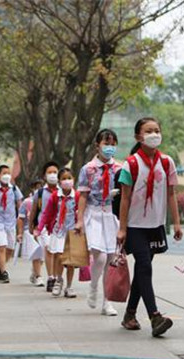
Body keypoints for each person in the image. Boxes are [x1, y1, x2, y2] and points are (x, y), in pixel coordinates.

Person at [116, 117, 183, 337]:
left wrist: (176, 223)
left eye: (156, 130)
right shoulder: (131, 164)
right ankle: (155, 316)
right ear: (139, 137)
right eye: (148, 131)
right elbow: (124, 199)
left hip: (156, 225)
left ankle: (130, 314)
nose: (154, 134)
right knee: (144, 266)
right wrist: (122, 228)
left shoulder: (167, 162)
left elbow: (171, 193)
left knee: (142, 270)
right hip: (135, 226)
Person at [75, 129, 122, 316]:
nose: (109, 147)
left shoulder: (120, 168)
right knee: (100, 257)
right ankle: (93, 287)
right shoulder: (88, 169)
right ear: (97, 145)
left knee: (111, 260)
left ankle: (107, 302)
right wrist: (79, 220)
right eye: (106, 143)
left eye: (113, 144)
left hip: (112, 214)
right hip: (93, 214)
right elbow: (83, 195)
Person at [36, 167, 79, 298]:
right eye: (64, 179)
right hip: (59, 231)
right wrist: (40, 228)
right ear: (59, 182)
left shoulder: (76, 196)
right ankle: (58, 281)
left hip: (72, 232)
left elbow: (82, 213)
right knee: (59, 257)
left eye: (69, 178)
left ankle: (70, 286)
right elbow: (47, 213)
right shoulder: (56, 196)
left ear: (74, 180)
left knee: (70, 261)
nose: (67, 181)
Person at [29, 161, 60, 292]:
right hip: (45, 227)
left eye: (55, 172)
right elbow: (34, 210)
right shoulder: (40, 193)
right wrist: (32, 225)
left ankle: (58, 277)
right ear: (44, 176)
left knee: (57, 253)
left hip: (59, 226)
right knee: (48, 249)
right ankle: (51, 277)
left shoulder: (63, 191)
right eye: (49, 172)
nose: (52, 175)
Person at [17, 178, 45, 287]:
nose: (38, 189)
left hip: (42, 230)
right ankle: (38, 276)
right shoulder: (27, 202)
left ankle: (35, 272)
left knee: (43, 255)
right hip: (29, 231)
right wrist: (20, 233)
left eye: (40, 187)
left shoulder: (46, 200)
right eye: (36, 187)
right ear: (32, 188)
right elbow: (20, 218)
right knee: (36, 253)